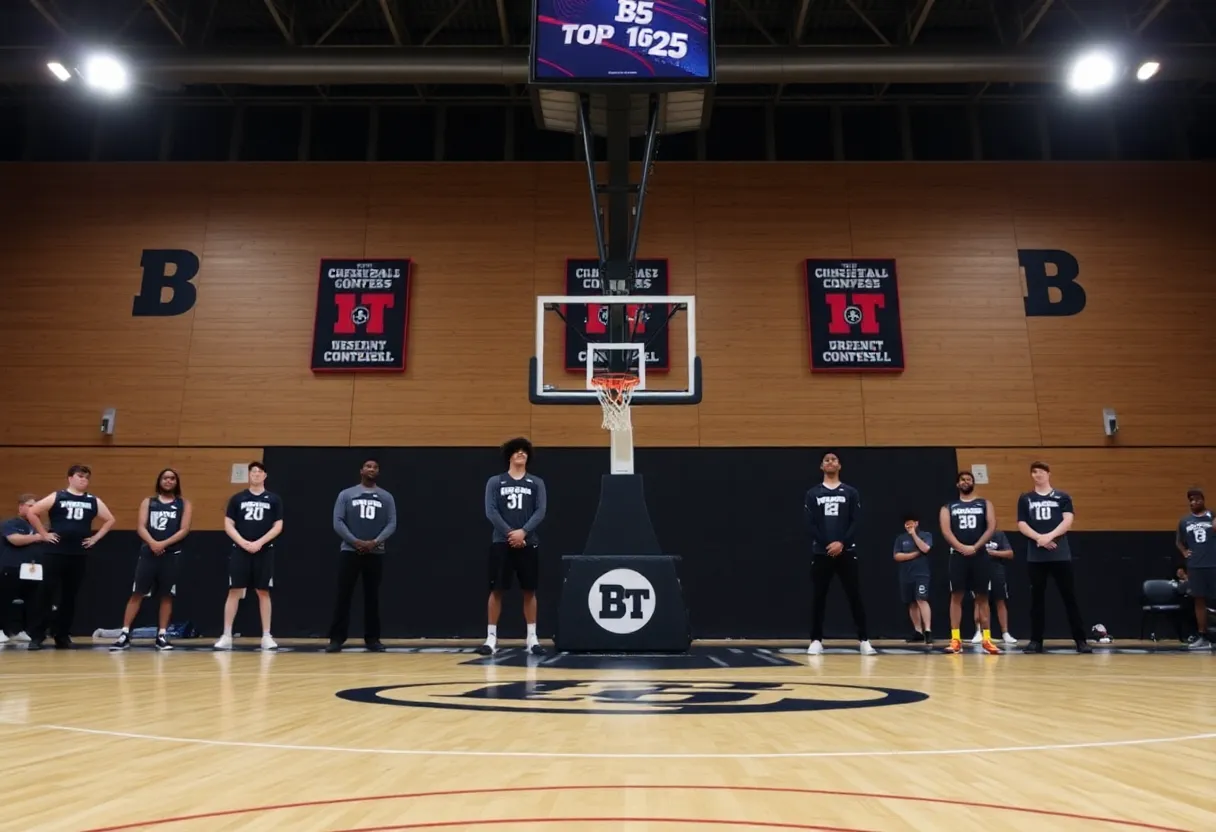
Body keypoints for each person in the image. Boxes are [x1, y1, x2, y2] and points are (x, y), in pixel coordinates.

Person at [23, 464, 116, 650]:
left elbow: (110, 519)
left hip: (77, 553)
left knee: (69, 596)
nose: (84, 480)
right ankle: (37, 635)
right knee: (46, 593)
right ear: (70, 478)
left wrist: (96, 538)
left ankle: (62, 635)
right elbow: (32, 512)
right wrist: (44, 534)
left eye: (86, 477)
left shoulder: (93, 500)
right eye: (80, 476)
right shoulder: (58, 496)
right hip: (55, 552)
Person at [480, 437, 547, 656]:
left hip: (528, 542)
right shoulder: (495, 481)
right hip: (502, 542)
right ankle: (491, 638)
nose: (521, 453)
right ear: (509, 455)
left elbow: (540, 511)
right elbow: (491, 511)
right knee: (496, 590)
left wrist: (523, 532)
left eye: (524, 451)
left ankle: (532, 638)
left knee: (529, 590)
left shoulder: (536, 483)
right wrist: (511, 533)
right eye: (517, 450)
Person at [111, 469, 192, 651]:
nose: (168, 481)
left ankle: (161, 635)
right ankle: (124, 633)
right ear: (159, 481)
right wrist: (153, 543)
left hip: (171, 555)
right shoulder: (149, 502)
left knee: (166, 595)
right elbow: (141, 527)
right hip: (149, 554)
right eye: (165, 478)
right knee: (137, 593)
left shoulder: (183, 504)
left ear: (176, 482)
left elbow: (184, 529)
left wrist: (163, 543)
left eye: (172, 478)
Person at [1016, 460, 1091, 654]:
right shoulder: (1025, 499)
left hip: (1060, 554)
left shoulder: (1062, 497)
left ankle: (1081, 640)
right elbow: (1022, 523)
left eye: (1041, 471)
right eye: (1034, 472)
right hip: (1036, 556)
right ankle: (1036, 641)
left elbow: (1068, 521)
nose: (1038, 475)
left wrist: (1049, 537)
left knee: (1069, 597)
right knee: (1036, 600)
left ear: (1049, 474)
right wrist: (1039, 538)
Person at [804, 452, 874, 655]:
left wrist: (841, 542)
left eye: (833, 459)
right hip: (822, 551)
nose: (830, 462)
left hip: (846, 550)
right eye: (826, 460)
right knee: (819, 597)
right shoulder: (813, 493)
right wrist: (828, 544)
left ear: (839, 465)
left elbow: (856, 520)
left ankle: (864, 640)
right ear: (821, 466)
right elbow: (810, 523)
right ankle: (815, 640)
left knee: (854, 595)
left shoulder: (850, 492)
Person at [327, 459, 397, 653]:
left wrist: (375, 541)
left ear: (378, 472)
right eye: (368, 466)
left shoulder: (386, 497)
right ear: (361, 471)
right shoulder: (346, 494)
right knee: (344, 595)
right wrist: (355, 541)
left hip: (375, 552)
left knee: (372, 597)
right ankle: (336, 638)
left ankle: (372, 639)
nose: (371, 469)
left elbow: (392, 523)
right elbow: (338, 521)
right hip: (350, 551)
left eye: (375, 467)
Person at [216, 461, 283, 651]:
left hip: (264, 550)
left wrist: (259, 542)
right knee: (235, 590)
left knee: (263, 591)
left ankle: (266, 636)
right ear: (248, 475)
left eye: (259, 472)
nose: (256, 474)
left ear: (265, 476)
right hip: (240, 550)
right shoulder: (237, 498)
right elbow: (228, 524)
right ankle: (226, 634)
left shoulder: (274, 499)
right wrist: (242, 542)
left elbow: (278, 526)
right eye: (253, 472)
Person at [940, 471, 1001, 655]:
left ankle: (987, 639)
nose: (966, 482)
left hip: (979, 555)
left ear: (973, 483)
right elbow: (946, 531)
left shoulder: (985, 503)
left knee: (982, 597)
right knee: (956, 596)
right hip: (958, 556)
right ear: (957, 484)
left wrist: (975, 547)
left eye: (969, 479)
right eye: (962, 480)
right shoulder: (948, 507)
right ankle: (955, 639)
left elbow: (991, 526)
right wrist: (961, 547)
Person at [0, 494, 41, 645]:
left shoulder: (37, 526)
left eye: (36, 507)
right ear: (21, 507)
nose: (33, 509)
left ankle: (19, 630)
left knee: (29, 601)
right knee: (5, 599)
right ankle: (1, 630)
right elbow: (14, 539)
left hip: (32, 569)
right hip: (12, 566)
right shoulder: (10, 523)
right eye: (30, 506)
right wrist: (38, 537)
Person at [1176, 487, 1213, 650]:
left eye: (1197, 499)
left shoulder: (1212, 516)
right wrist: (1185, 552)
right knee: (1199, 600)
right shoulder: (1185, 521)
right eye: (1191, 500)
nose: (1194, 502)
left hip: (1213, 563)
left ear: (1203, 500)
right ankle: (1203, 636)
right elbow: (1178, 541)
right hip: (1196, 565)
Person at [970, 530, 1018, 646]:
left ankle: (1005, 633)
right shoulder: (975, 532)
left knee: (1000, 600)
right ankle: (979, 631)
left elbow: (1010, 553)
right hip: (979, 569)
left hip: (996, 570)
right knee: (979, 600)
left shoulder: (999, 535)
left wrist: (992, 553)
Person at [892, 514, 933, 645]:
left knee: (921, 599)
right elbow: (897, 556)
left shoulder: (926, 535)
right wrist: (914, 555)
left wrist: (914, 534)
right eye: (906, 524)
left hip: (921, 574)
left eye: (911, 523)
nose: (908, 526)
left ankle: (928, 630)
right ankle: (918, 631)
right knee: (911, 603)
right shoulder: (900, 538)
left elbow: (925, 548)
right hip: (906, 574)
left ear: (916, 523)